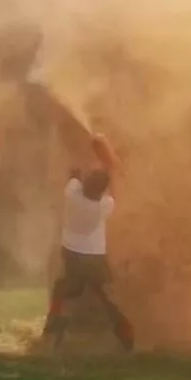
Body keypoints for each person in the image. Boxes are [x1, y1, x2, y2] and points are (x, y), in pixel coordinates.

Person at [41, 133, 135, 352]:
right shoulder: (102, 206)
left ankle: (54, 324)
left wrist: (88, 157)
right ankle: (124, 329)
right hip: (94, 258)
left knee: (63, 289)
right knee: (105, 295)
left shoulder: (73, 194)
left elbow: (74, 173)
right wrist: (112, 167)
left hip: (72, 254)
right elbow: (115, 195)